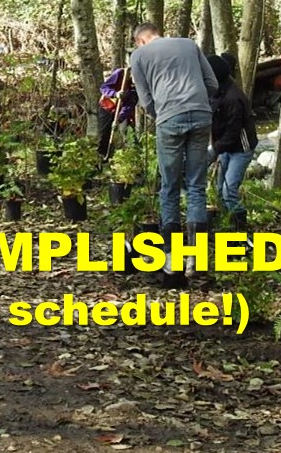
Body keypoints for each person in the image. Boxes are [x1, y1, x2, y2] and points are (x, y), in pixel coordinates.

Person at [129, 23, 218, 284]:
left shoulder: (139, 56)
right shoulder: (189, 44)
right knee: (196, 186)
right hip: (202, 116)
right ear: (157, 33)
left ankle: (172, 259)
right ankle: (197, 259)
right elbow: (211, 83)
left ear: (140, 41)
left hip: (169, 119)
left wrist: (161, 115)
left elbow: (145, 100)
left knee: (169, 187)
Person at [207, 53, 257, 232]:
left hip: (241, 149)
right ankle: (226, 224)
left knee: (229, 192)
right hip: (225, 147)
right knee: (220, 190)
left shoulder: (233, 98)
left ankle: (240, 229)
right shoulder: (216, 91)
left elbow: (233, 133)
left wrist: (214, 151)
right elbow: (214, 122)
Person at [97, 66, 138, 158]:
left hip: (117, 111)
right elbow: (104, 88)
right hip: (106, 107)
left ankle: (111, 155)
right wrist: (115, 94)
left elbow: (129, 106)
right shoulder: (120, 73)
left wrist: (119, 119)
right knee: (104, 133)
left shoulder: (135, 88)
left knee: (118, 133)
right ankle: (101, 155)